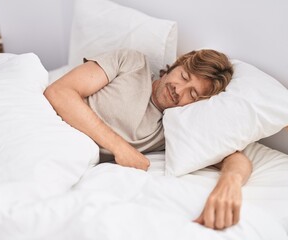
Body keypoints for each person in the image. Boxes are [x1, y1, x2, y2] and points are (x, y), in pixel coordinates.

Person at [44, 49, 253, 230]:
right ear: (175, 65)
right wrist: (120, 148)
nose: (178, 90)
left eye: (192, 94)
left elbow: (235, 159)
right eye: (184, 76)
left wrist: (230, 183)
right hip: (46, 125)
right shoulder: (132, 62)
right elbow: (59, 91)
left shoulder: (173, 128)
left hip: (69, 159)